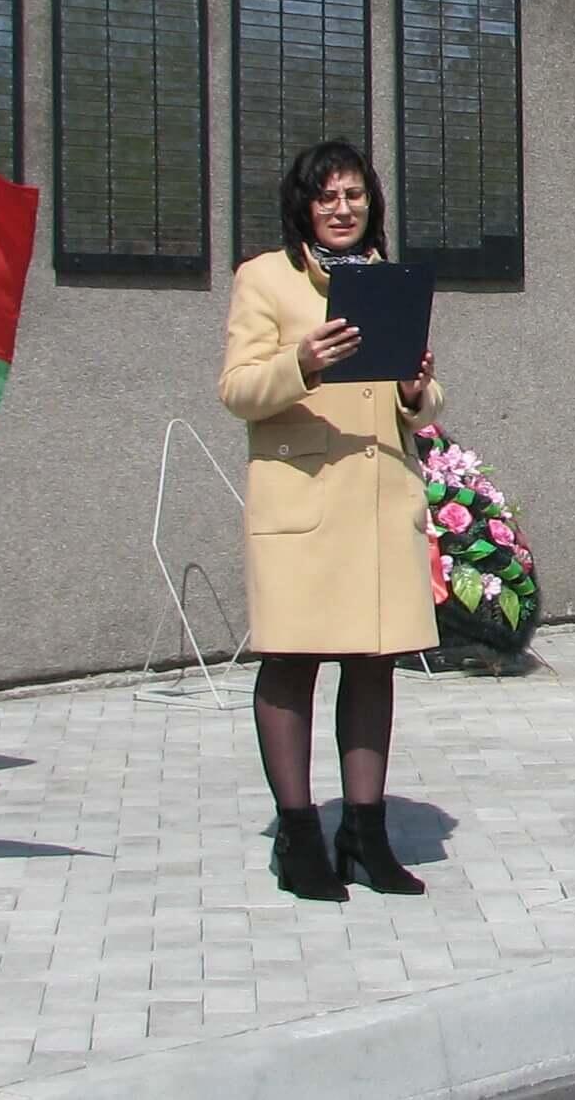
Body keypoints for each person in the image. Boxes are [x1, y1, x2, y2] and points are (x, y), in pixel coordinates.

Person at [219, 140, 445, 902]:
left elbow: (421, 400)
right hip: (305, 504)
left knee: (375, 662)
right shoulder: (265, 278)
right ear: (303, 206)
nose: (342, 209)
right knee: (292, 662)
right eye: (327, 197)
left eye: (353, 195)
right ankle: (297, 835)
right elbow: (238, 390)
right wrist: (302, 363)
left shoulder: (388, 280)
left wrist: (420, 391)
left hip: (379, 498)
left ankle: (365, 833)